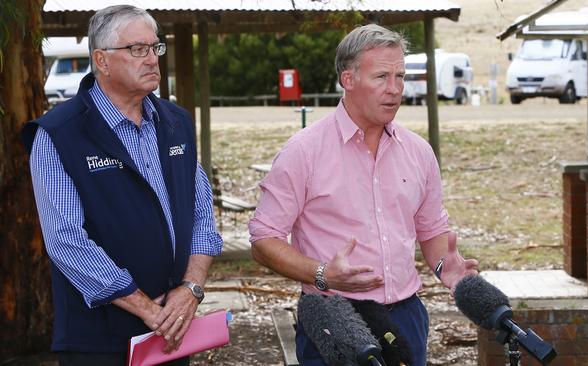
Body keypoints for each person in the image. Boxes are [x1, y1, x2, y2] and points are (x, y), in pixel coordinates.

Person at [248, 24, 479, 366]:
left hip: (406, 317)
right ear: (348, 79)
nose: (395, 89)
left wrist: (448, 268)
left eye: (400, 76)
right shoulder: (304, 152)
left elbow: (431, 232)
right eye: (382, 77)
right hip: (335, 319)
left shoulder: (419, 152)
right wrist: (323, 273)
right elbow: (263, 240)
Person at [22, 5, 222, 365]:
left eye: (155, 47)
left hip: (173, 332)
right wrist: (146, 308)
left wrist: (191, 289)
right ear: (102, 60)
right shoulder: (60, 134)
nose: (152, 59)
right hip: (98, 340)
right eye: (137, 49)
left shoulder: (175, 122)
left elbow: (202, 216)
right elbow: (66, 242)